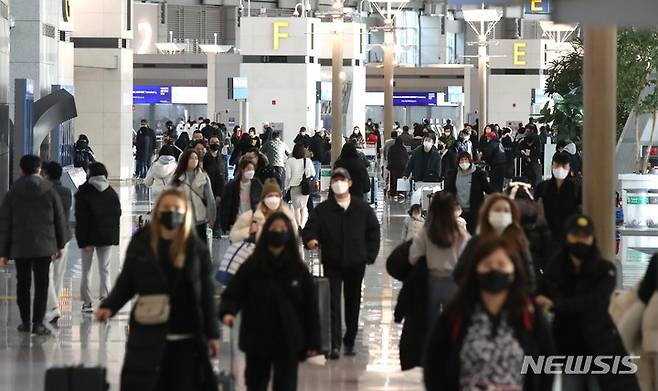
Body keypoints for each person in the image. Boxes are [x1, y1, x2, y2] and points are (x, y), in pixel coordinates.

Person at [96, 189, 219, 391]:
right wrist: (109, 306)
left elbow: (206, 294)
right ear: (158, 211)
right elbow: (127, 281)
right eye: (167, 208)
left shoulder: (196, 249)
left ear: (185, 213)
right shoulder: (142, 243)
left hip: (186, 339)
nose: (171, 212)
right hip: (148, 334)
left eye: (177, 209)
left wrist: (212, 334)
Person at [424, 238, 555, 391]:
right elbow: (433, 361)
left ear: (513, 271)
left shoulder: (529, 313)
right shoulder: (457, 311)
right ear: (476, 271)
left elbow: (546, 360)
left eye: (501, 264)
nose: (494, 269)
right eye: (487, 264)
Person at [537, 214, 640, 391]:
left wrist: (557, 304)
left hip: (600, 347)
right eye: (576, 235)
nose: (580, 241)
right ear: (566, 236)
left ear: (592, 238)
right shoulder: (554, 269)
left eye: (585, 236)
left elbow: (594, 303)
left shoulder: (605, 270)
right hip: (567, 347)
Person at [220, 213, 320, 391]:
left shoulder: (298, 269)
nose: (278, 233)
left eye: (282, 230)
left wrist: (313, 342)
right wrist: (228, 311)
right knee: (255, 383)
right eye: (274, 229)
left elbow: (310, 308)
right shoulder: (253, 265)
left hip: (288, 338)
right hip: (257, 336)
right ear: (266, 233)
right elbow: (234, 292)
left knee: (286, 385)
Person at [302, 168, 381, 359]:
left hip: (356, 262)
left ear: (350, 183)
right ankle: (335, 344)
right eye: (335, 180)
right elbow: (310, 227)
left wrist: (369, 255)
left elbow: (373, 232)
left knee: (353, 302)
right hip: (332, 261)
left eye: (342, 179)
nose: (339, 183)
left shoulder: (362, 209)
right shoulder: (323, 210)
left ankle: (350, 339)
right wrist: (311, 239)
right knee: (333, 303)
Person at [0, 155, 68, 335]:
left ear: (21, 170)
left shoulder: (13, 192)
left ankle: (25, 322)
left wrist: (3, 253)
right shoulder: (50, 190)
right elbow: (59, 220)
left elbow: (5, 223)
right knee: (42, 283)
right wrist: (60, 245)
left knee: (23, 283)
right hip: (44, 246)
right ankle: (38, 323)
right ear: (39, 170)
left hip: (20, 246)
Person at [454, 193, 537, 293]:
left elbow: (529, 277)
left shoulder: (519, 242)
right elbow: (459, 273)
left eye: (506, 211)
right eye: (497, 210)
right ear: (487, 214)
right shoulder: (476, 242)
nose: (502, 214)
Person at [410, 192, 470, 327]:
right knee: (453, 322)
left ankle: (432, 345)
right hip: (453, 283)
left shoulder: (425, 232)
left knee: (430, 323)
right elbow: (468, 259)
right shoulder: (461, 234)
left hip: (430, 282)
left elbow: (414, 257)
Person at [75, 162, 122, 313]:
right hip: (106, 238)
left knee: (86, 270)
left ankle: (87, 303)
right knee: (105, 269)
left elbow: (81, 218)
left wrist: (83, 240)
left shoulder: (83, 192)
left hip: (88, 238)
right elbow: (117, 214)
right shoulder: (111, 192)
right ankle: (105, 298)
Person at [41, 162, 73, 324]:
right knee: (58, 275)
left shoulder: (43, 192)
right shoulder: (67, 192)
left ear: (46, 174)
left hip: (48, 238)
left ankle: (53, 308)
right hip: (64, 237)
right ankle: (55, 308)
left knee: (45, 274)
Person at [506, 181, 552, 279]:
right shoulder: (539, 218)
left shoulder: (505, 216)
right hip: (533, 266)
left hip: (509, 265)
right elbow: (547, 249)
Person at [230, 178, 297, 243]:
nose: (273, 199)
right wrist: (249, 230)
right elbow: (233, 236)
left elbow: (295, 241)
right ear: (264, 198)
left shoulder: (288, 217)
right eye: (270, 196)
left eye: (276, 196)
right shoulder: (252, 216)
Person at [534, 151, 582, 244]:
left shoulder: (576, 188)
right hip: (547, 235)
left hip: (569, 235)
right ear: (552, 166)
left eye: (564, 166)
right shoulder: (542, 187)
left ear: (569, 168)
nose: (560, 169)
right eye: (557, 165)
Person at [171, 150, 216, 242]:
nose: (194, 160)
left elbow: (210, 198)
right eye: (191, 158)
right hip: (182, 219)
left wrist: (212, 217)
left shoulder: (203, 176)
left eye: (196, 158)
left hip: (200, 219)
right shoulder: (177, 178)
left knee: (199, 248)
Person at [444, 152, 494, 233]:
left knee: (473, 234)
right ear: (458, 162)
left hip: (474, 210)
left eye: (466, 160)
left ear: (470, 161)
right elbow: (448, 190)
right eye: (461, 160)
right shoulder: (454, 174)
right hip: (458, 211)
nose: (464, 162)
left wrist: (498, 194)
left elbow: (487, 188)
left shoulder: (478, 174)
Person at [221, 158, 263, 233]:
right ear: (242, 170)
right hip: (237, 223)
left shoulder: (257, 186)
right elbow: (226, 206)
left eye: (253, 169)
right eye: (249, 169)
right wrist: (225, 225)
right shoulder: (232, 187)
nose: (251, 172)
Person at [285, 143, 316, 228]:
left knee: (296, 208)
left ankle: (298, 225)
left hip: (294, 187)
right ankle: (302, 225)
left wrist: (287, 186)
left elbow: (288, 176)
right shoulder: (307, 161)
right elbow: (313, 173)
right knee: (303, 207)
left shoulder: (289, 161)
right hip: (305, 187)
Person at [204, 135, 227, 237]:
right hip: (207, 186)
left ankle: (217, 229)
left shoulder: (222, 158)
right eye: (213, 142)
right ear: (209, 144)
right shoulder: (205, 158)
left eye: (217, 142)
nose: (215, 144)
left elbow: (225, 173)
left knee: (218, 208)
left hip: (220, 187)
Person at [480, 125, 507, 192]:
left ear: (490, 137)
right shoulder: (499, 143)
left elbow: (488, 154)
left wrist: (483, 158)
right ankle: (500, 195)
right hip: (502, 164)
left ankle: (495, 196)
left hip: (495, 165)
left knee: (494, 183)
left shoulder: (491, 144)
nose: (487, 138)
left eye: (488, 137)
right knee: (500, 182)